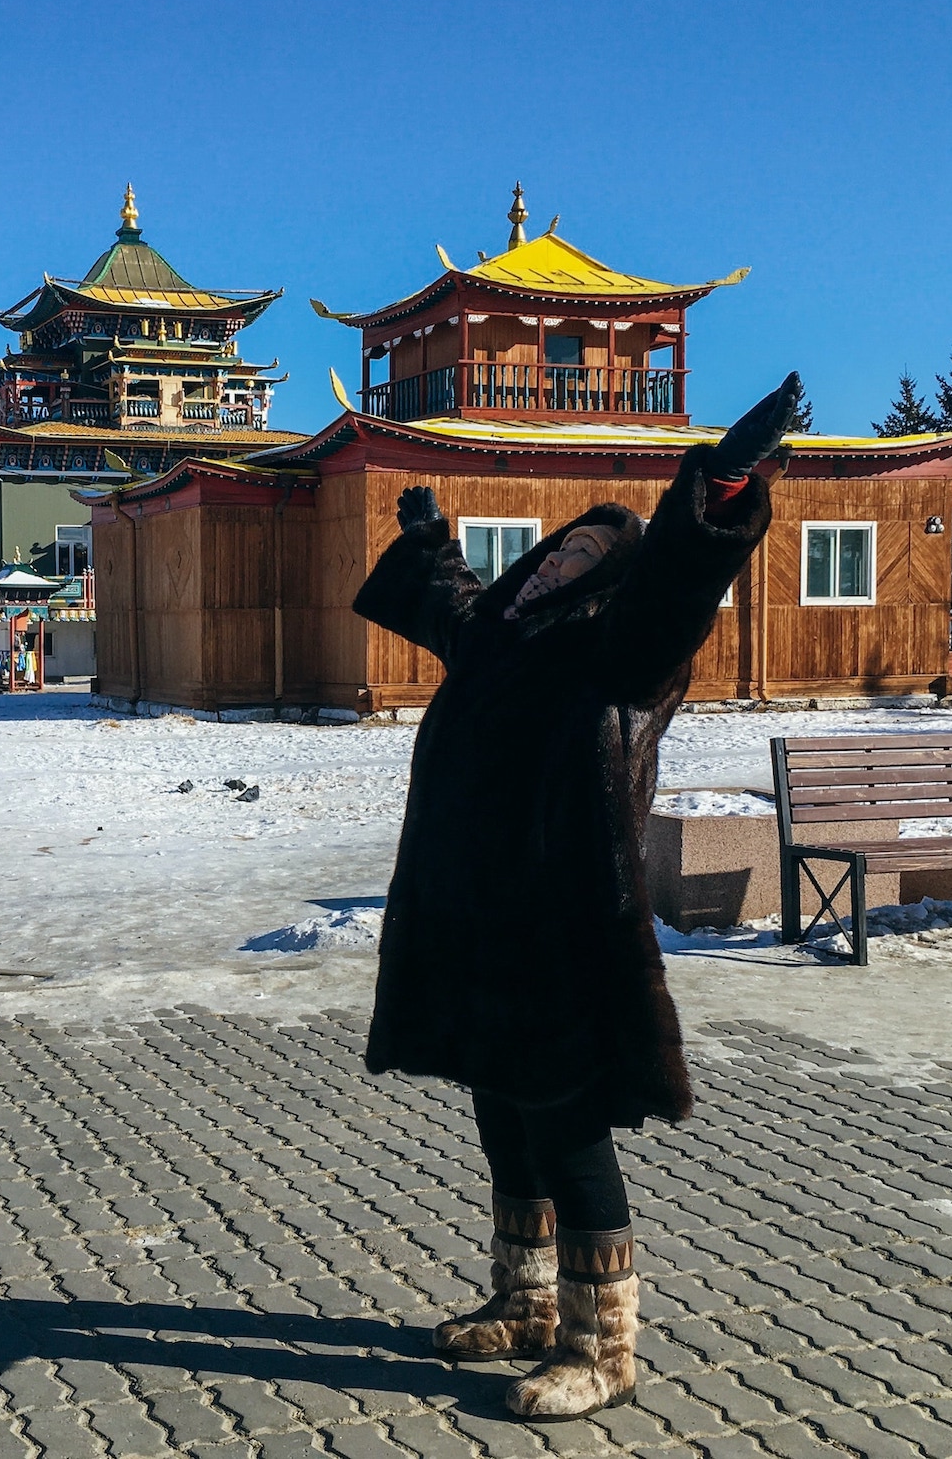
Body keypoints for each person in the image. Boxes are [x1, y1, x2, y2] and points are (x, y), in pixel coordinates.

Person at [350, 373, 799, 1422]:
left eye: (590, 555)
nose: (563, 557)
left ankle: (604, 1348)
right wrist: (430, 541)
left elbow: (674, 589)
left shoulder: (618, 653)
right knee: (501, 1108)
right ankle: (525, 1301)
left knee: (568, 1125)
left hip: (560, 921)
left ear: (610, 583)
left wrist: (717, 490)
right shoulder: (508, 634)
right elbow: (458, 602)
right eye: (560, 547)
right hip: (475, 916)